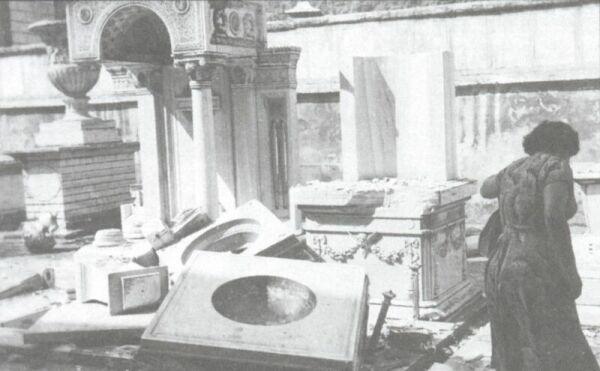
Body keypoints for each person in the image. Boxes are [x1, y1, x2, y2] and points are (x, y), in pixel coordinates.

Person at [480, 120, 599, 371]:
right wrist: (569, 272)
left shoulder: (514, 167)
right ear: (564, 147)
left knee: (510, 339)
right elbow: (553, 218)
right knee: (551, 341)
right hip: (535, 263)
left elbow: (485, 189)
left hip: (500, 263)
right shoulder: (556, 167)